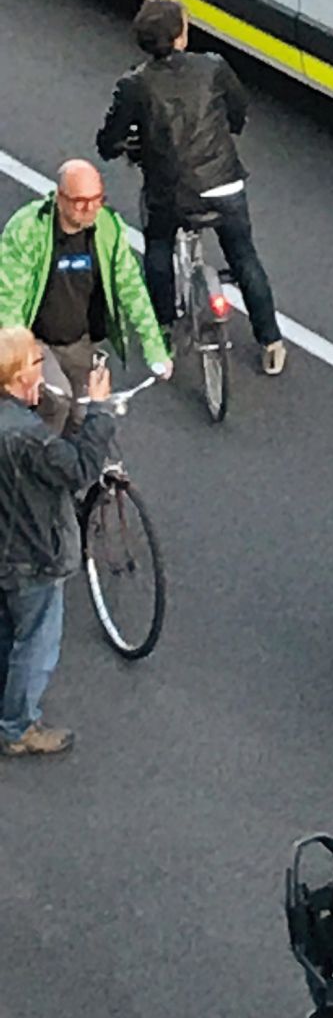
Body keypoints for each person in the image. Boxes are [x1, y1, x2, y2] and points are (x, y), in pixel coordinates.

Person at [96, 0, 286, 375]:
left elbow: (109, 140)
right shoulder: (213, 67)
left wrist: (123, 146)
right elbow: (238, 110)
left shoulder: (134, 84)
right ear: (180, 37)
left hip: (169, 192)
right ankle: (271, 340)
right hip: (223, 184)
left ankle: (164, 327)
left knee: (159, 246)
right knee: (243, 254)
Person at [0, 325, 117, 758]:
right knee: (35, 643)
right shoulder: (28, 437)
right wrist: (99, 410)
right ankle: (18, 727)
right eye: (34, 362)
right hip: (33, 555)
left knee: (6, 632)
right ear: (16, 377)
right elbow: (79, 468)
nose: (41, 368)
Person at [0, 160, 171, 434]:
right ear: (60, 198)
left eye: (97, 200)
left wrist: (155, 347)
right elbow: (8, 300)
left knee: (85, 416)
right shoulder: (27, 230)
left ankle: (75, 469)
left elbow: (131, 287)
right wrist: (22, 364)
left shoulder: (107, 228)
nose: (90, 209)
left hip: (81, 343)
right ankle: (46, 465)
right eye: (80, 202)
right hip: (38, 344)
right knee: (57, 404)